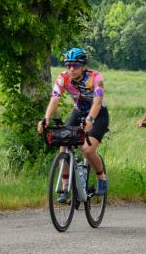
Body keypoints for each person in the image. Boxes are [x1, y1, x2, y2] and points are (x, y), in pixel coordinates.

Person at [37, 47, 108, 198]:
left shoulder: (96, 77)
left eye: (75, 65)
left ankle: (101, 177)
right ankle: (65, 187)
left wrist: (90, 119)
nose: (71, 68)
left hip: (98, 114)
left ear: (83, 66)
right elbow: (55, 98)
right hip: (78, 111)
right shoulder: (63, 78)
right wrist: (46, 118)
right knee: (63, 144)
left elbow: (97, 101)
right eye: (68, 65)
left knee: (87, 150)